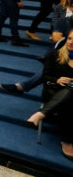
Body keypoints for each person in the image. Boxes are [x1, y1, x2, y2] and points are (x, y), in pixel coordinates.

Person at [24, 31, 73, 161]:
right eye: (69, 38)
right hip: (52, 90)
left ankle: (41, 113)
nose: (71, 42)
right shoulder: (54, 54)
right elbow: (45, 77)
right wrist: (57, 80)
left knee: (71, 90)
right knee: (69, 97)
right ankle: (67, 140)